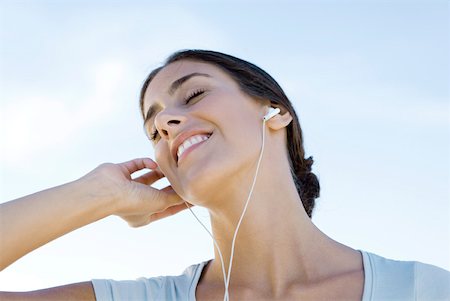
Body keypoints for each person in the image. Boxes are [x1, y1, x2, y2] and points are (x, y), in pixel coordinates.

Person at [0, 49, 449, 301]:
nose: (167, 125)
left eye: (193, 94)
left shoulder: (424, 290)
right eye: (153, 129)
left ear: (275, 112)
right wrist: (95, 195)